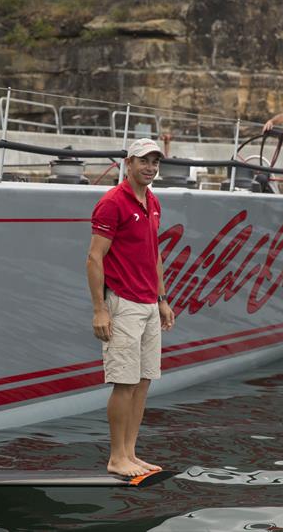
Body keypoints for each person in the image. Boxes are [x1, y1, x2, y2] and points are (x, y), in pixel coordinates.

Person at [86, 138, 175, 477]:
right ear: (128, 163)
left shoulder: (152, 201)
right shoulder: (112, 203)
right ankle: (116, 456)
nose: (150, 167)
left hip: (149, 304)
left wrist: (162, 300)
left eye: (155, 161)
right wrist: (100, 309)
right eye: (144, 161)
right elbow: (94, 258)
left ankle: (131, 453)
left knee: (143, 381)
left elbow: (154, 255)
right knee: (124, 383)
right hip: (122, 303)